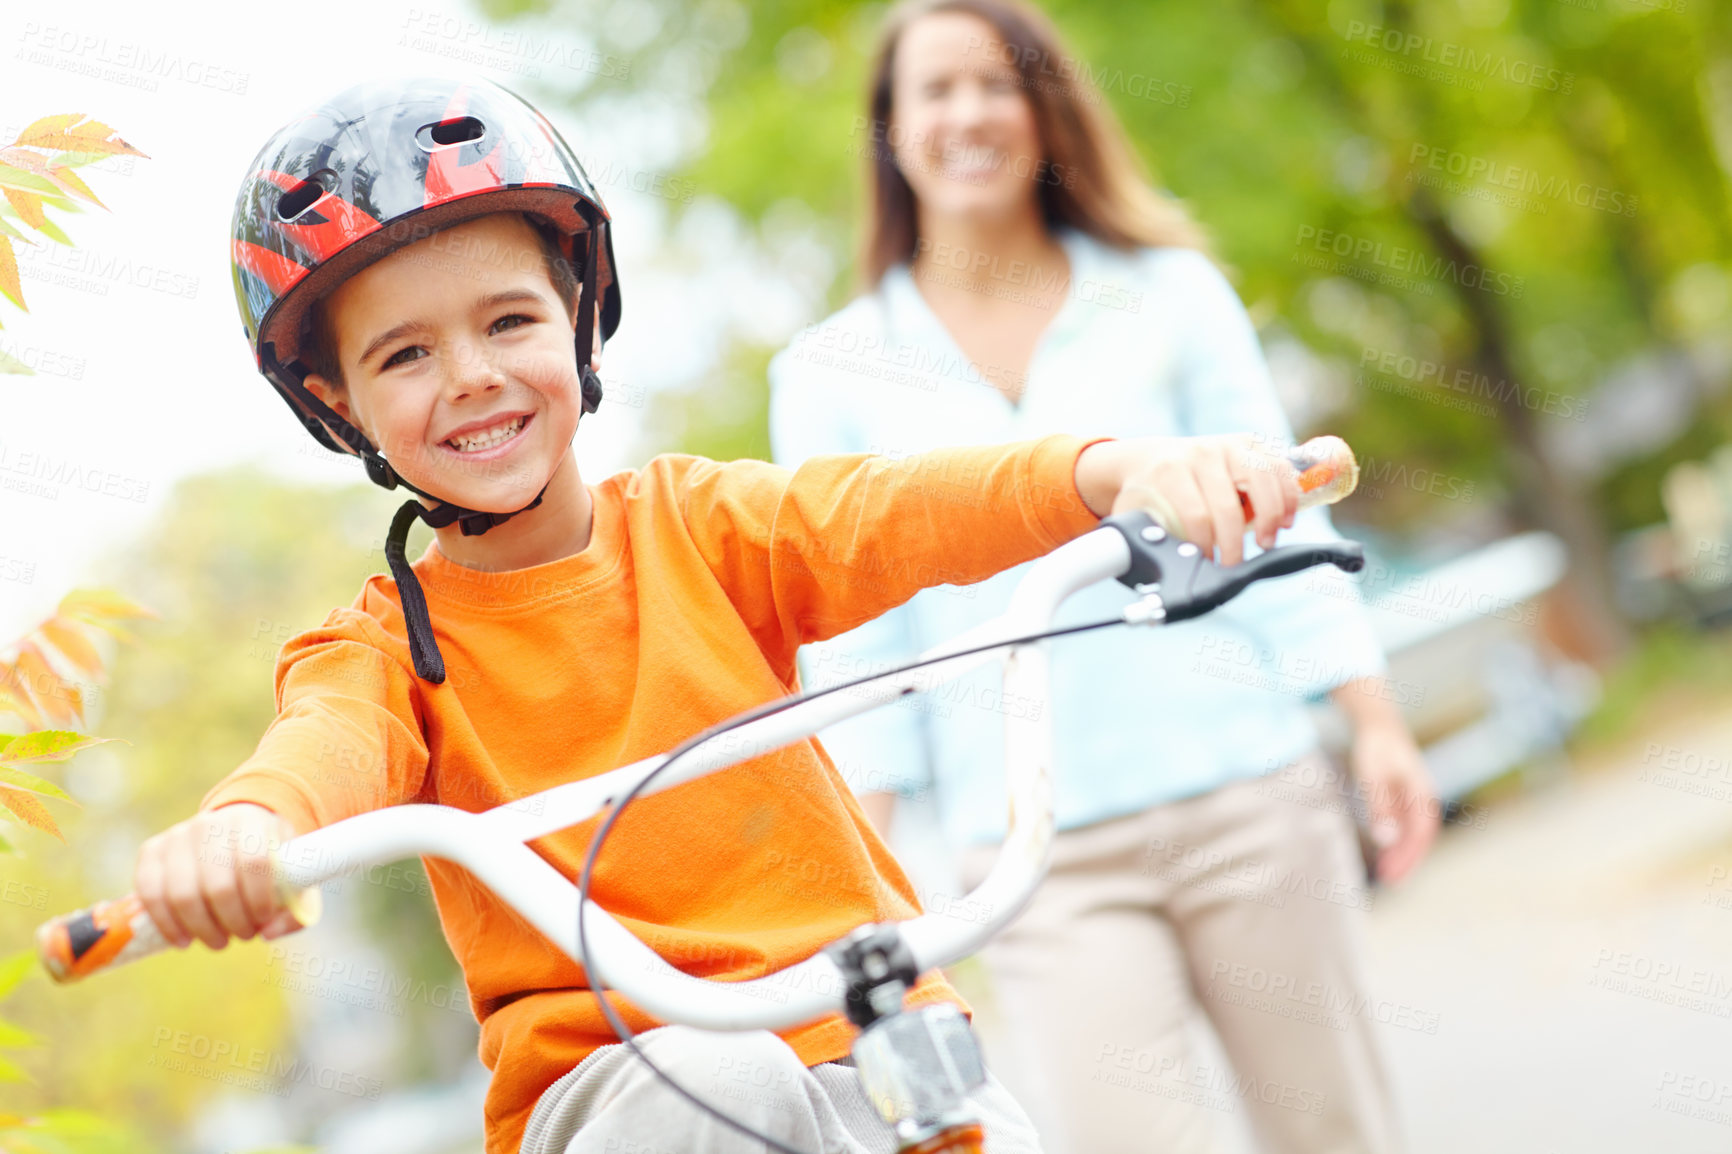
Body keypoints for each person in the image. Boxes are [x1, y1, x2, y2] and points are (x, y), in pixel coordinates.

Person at [130, 76, 1306, 1154]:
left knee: (976, 1121)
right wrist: (243, 827)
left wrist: (1113, 471)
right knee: (728, 1078)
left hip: (860, 1024)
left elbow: (893, 510)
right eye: (404, 355)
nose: (473, 376)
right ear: (336, 403)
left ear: (580, 315)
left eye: (509, 322)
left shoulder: (702, 526)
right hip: (618, 1085)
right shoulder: (380, 648)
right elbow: (320, 746)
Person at [768, 3, 1439, 1153]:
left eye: (998, 84)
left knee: (1335, 1131)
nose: (969, 113)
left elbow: (1283, 522)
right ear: (889, 129)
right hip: (1037, 850)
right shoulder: (830, 373)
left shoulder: (1169, 293)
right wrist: (859, 887)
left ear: (1046, 112)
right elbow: (858, 646)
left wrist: (1372, 721)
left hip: (1250, 801)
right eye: (935, 89)